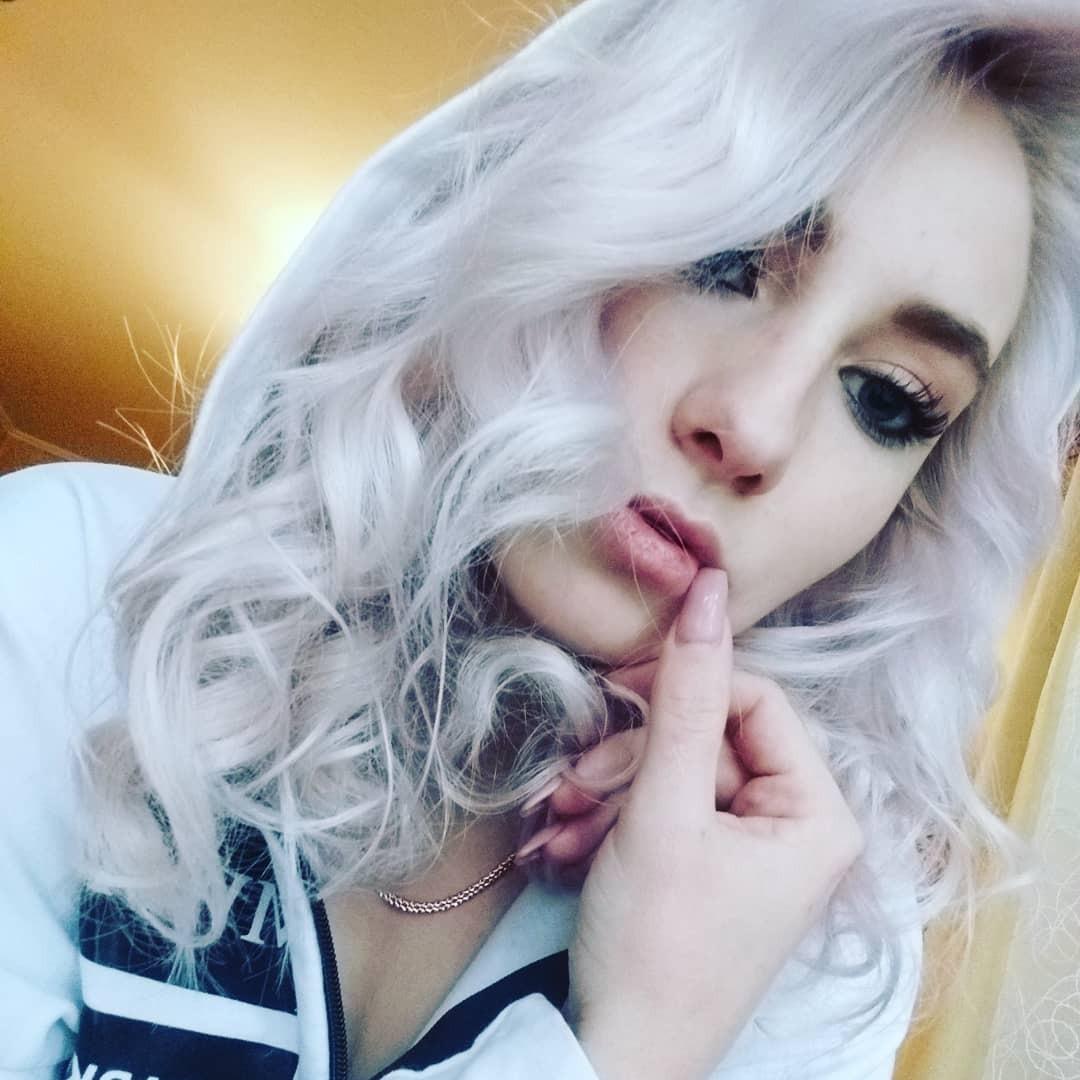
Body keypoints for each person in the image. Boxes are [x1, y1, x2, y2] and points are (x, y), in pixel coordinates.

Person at [3, 1, 1080, 1077]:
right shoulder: (73, 589)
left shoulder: (808, 948)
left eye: (888, 397)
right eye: (721, 260)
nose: (755, 426)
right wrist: (630, 1049)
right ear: (542, 210)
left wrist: (666, 1017)